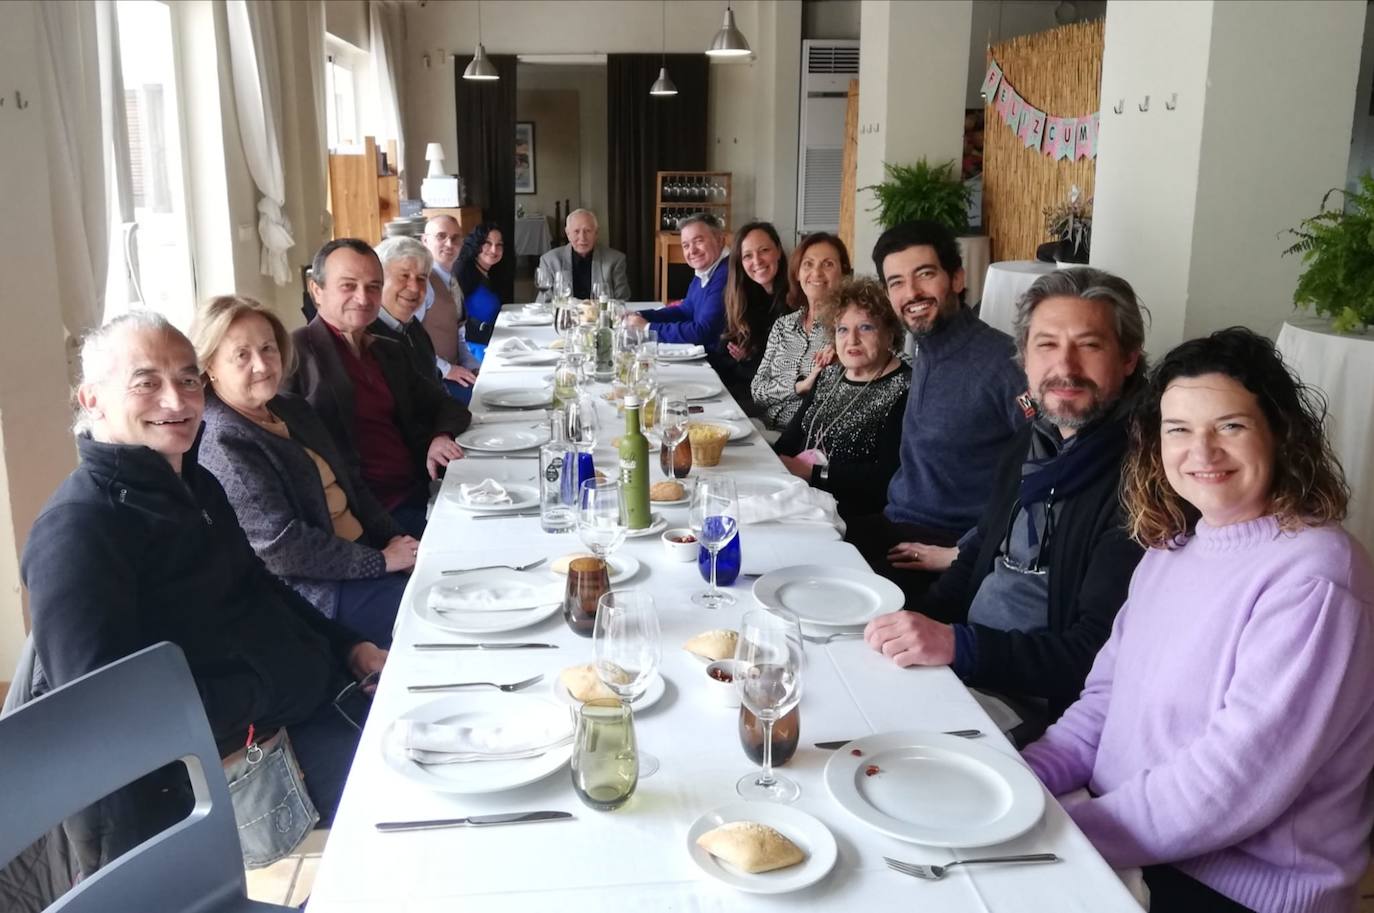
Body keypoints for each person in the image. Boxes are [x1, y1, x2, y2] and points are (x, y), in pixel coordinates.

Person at [19, 311, 386, 875]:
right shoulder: (78, 530)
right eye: (147, 382)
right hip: (217, 774)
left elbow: (259, 585)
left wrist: (345, 644)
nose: (177, 400)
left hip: (297, 705)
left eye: (189, 379)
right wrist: (274, 688)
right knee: (400, 804)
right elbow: (111, 712)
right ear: (91, 400)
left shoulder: (195, 482)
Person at [1023, 328, 1374, 913]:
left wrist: (1061, 835)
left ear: (1280, 434)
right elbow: (1103, 703)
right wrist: (1022, 780)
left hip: (1234, 887)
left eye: (1230, 427)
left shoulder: (1316, 574)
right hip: (1131, 842)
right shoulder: (1172, 547)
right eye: (1179, 430)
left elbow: (1231, 784)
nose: (1202, 452)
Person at [864, 268, 1148, 744]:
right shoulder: (1032, 444)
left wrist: (957, 645)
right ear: (1024, 359)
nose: (1066, 365)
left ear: (1128, 360)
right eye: (1047, 345)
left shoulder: (1139, 482)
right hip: (965, 668)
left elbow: (1092, 653)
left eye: (1089, 345)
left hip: (1037, 706)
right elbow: (978, 557)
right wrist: (920, 623)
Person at [194, 295, 417, 647]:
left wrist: (398, 541)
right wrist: (380, 562)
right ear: (209, 366)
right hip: (320, 592)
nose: (262, 364)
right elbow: (283, 547)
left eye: (268, 348)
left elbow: (351, 484)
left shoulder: (290, 408)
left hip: (364, 551)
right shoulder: (224, 440)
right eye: (241, 355)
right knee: (431, 620)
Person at [847, 220, 1027, 603]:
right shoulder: (924, 349)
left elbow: (1040, 477)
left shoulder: (1004, 364)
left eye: (924, 275)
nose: (911, 292)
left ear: (958, 278)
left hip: (944, 545)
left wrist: (964, 552)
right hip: (895, 523)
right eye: (896, 282)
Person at [287, 238, 470, 537]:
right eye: (348, 285)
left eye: (373, 286)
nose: (363, 297)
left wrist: (440, 436)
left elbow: (444, 404)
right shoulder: (295, 353)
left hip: (418, 491)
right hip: (365, 516)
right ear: (316, 291)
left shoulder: (388, 350)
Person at [774, 276, 910, 521]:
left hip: (850, 516)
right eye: (843, 329)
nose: (852, 340)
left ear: (889, 334)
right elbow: (788, 441)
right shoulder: (830, 375)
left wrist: (811, 473)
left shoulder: (905, 388)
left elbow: (886, 479)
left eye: (866, 327)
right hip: (797, 498)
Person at [750, 232, 850, 431]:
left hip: (809, 441)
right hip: (764, 432)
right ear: (797, 273)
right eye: (808, 264)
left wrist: (847, 362)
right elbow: (757, 391)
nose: (817, 273)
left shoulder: (849, 330)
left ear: (844, 272)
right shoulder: (783, 326)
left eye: (828, 264)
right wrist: (799, 387)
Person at [624, 213, 729, 350]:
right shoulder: (707, 270)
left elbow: (703, 332)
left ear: (720, 240)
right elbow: (685, 311)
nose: (692, 251)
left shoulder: (726, 274)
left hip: (721, 365)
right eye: (686, 245)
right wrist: (641, 315)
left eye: (698, 241)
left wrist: (648, 328)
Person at [717, 221, 789, 413]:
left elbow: (782, 372)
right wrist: (745, 359)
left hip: (772, 403)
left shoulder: (794, 300)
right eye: (748, 255)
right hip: (742, 389)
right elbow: (724, 350)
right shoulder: (745, 295)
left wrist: (747, 360)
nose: (757, 261)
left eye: (764, 250)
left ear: (779, 251)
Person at [418, 214, 480, 401]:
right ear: (425, 240)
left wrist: (472, 365)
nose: (449, 243)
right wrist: (447, 369)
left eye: (455, 238)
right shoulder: (423, 283)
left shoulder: (452, 279)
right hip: (431, 381)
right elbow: (408, 342)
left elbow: (457, 333)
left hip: (453, 371)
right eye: (441, 236)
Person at [371, 237, 447, 387]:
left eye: (421, 278)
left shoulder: (414, 327)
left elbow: (436, 386)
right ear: (378, 279)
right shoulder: (367, 337)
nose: (414, 287)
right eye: (404, 276)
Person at [537, 208, 631, 300]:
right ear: (568, 233)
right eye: (576, 231)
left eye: (588, 231)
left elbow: (622, 300)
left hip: (598, 315)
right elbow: (544, 302)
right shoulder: (549, 261)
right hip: (565, 315)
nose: (582, 238)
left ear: (596, 233)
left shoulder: (615, 260)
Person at [452, 222, 506, 361]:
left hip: (493, 340)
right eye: (487, 243)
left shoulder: (491, 272)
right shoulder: (463, 270)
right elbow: (453, 316)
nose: (494, 250)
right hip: (473, 349)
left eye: (499, 244)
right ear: (476, 244)